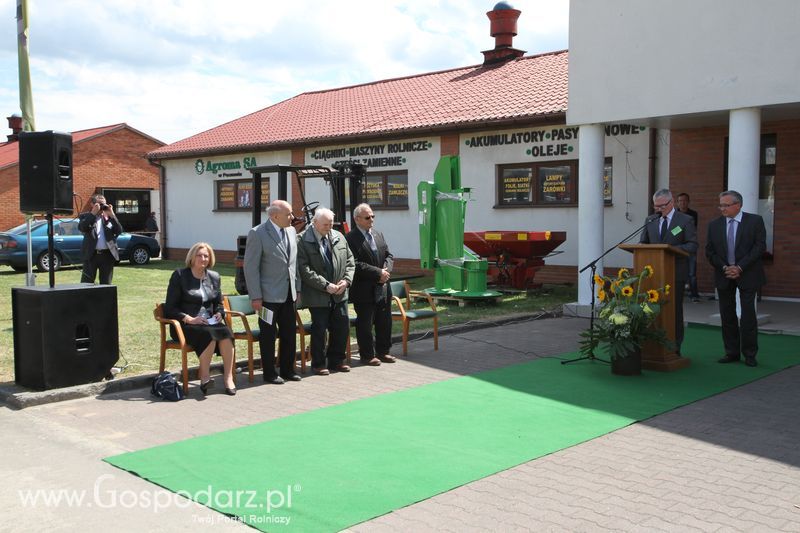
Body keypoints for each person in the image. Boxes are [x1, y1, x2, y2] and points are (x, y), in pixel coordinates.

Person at [165, 242, 236, 395]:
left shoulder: (214, 277)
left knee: (226, 333)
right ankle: (204, 378)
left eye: (206, 256)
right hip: (186, 324)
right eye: (199, 255)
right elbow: (170, 308)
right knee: (208, 334)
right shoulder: (179, 276)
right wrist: (189, 318)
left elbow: (218, 303)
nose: (203, 258)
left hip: (208, 322)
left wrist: (219, 313)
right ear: (192, 257)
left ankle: (228, 378)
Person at [705, 190, 766, 367]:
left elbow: (759, 247)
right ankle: (731, 352)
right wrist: (725, 267)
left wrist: (739, 267)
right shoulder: (714, 225)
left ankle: (749, 354)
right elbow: (710, 251)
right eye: (720, 205)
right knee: (727, 315)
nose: (722, 208)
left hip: (748, 274)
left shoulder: (754, 221)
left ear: (738, 205)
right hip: (724, 274)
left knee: (747, 315)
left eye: (726, 205)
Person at [243, 200, 301, 384]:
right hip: (267, 297)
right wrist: (256, 296)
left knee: (289, 334)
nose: (292, 217)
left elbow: (294, 264)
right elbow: (251, 268)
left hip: (289, 295)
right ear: (274, 216)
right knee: (268, 336)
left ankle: (287, 370)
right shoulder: (257, 233)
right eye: (289, 214)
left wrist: (297, 288)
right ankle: (269, 373)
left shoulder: (292, 231)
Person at [297, 208, 355, 375]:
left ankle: (337, 361)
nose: (328, 227)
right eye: (325, 225)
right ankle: (318, 363)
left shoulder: (339, 236)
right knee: (320, 330)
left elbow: (350, 261)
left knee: (341, 326)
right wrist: (325, 285)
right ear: (314, 223)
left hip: (340, 293)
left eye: (330, 224)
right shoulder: (302, 240)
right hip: (318, 295)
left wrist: (347, 281)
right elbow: (304, 269)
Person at [640, 188, 698, 354]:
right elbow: (643, 243)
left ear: (671, 203)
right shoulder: (650, 220)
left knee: (674, 311)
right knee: (651, 309)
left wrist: (670, 249)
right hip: (653, 274)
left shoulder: (684, 221)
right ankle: (651, 345)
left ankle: (675, 346)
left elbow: (692, 245)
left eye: (662, 206)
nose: (658, 209)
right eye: (655, 206)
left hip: (675, 273)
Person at [346, 203, 396, 366]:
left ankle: (383, 352)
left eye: (373, 216)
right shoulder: (350, 238)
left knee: (384, 321)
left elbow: (389, 255)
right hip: (364, 288)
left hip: (382, 287)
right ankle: (367, 355)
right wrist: (377, 273)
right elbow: (355, 263)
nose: (371, 220)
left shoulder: (378, 234)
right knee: (365, 323)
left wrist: (386, 270)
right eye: (368, 217)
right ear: (357, 219)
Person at [78, 193, 123, 284]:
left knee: (106, 283)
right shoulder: (85, 216)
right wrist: (93, 214)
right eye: (100, 204)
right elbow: (82, 228)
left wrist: (112, 215)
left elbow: (119, 231)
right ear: (92, 204)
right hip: (91, 255)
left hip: (107, 255)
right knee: (87, 283)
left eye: (104, 204)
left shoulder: (108, 218)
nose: (102, 207)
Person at [676, 193, 700, 302]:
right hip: (676, 246)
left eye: (684, 200)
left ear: (688, 202)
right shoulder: (674, 214)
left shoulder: (693, 214)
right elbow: (673, 231)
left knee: (692, 273)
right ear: (677, 202)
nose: (682, 203)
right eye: (680, 201)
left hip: (689, 246)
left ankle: (694, 295)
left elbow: (691, 229)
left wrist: (678, 229)